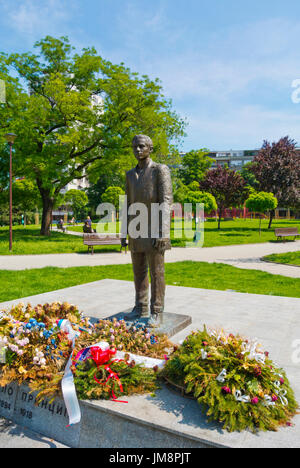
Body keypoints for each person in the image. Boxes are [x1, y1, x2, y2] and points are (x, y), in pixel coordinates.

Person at [121, 134, 173, 325]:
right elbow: (126, 203)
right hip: (136, 229)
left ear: (150, 148)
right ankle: (140, 306)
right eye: (134, 147)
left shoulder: (160, 170)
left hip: (155, 230)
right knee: (139, 271)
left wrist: (163, 232)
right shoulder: (129, 174)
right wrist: (123, 232)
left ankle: (157, 311)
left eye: (142, 146)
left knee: (156, 272)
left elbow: (166, 201)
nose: (137, 150)